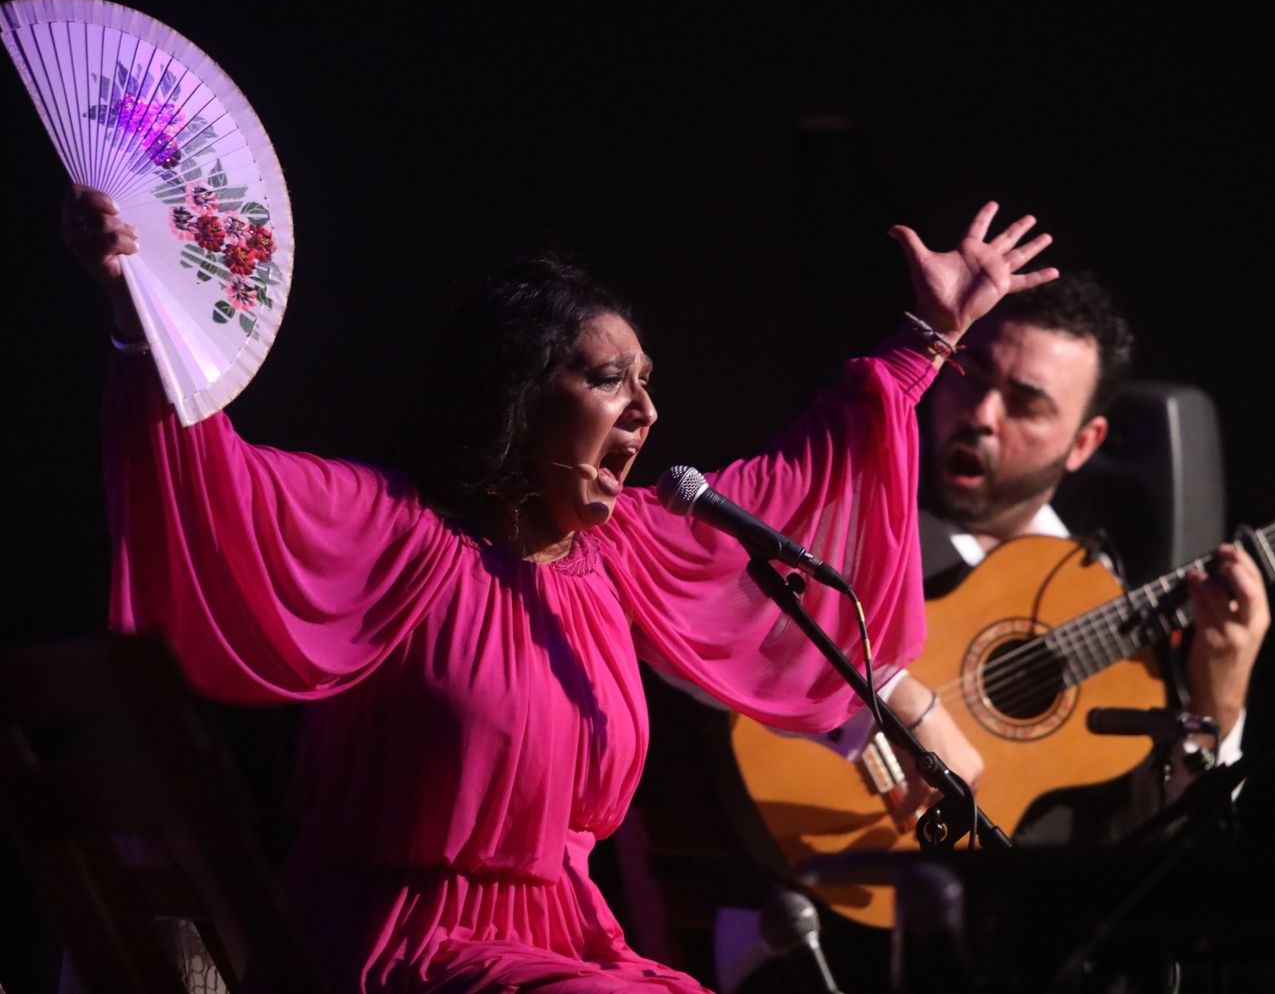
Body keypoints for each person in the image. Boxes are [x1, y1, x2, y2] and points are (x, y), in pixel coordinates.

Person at [64, 185, 1058, 993]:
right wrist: (139, 317)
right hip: (402, 948)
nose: (647, 409)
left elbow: (805, 479)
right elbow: (209, 474)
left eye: (648, 381)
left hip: (573, 947)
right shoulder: (393, 531)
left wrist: (925, 334)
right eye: (610, 380)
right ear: (524, 398)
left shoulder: (623, 547)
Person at [713, 268, 1271, 993]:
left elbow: (1169, 872)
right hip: (825, 950)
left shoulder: (1107, 606)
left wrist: (1219, 703)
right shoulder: (848, 539)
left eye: (1026, 403)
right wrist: (892, 693)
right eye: (970, 376)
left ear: (1084, 442)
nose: (981, 413)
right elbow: (693, 613)